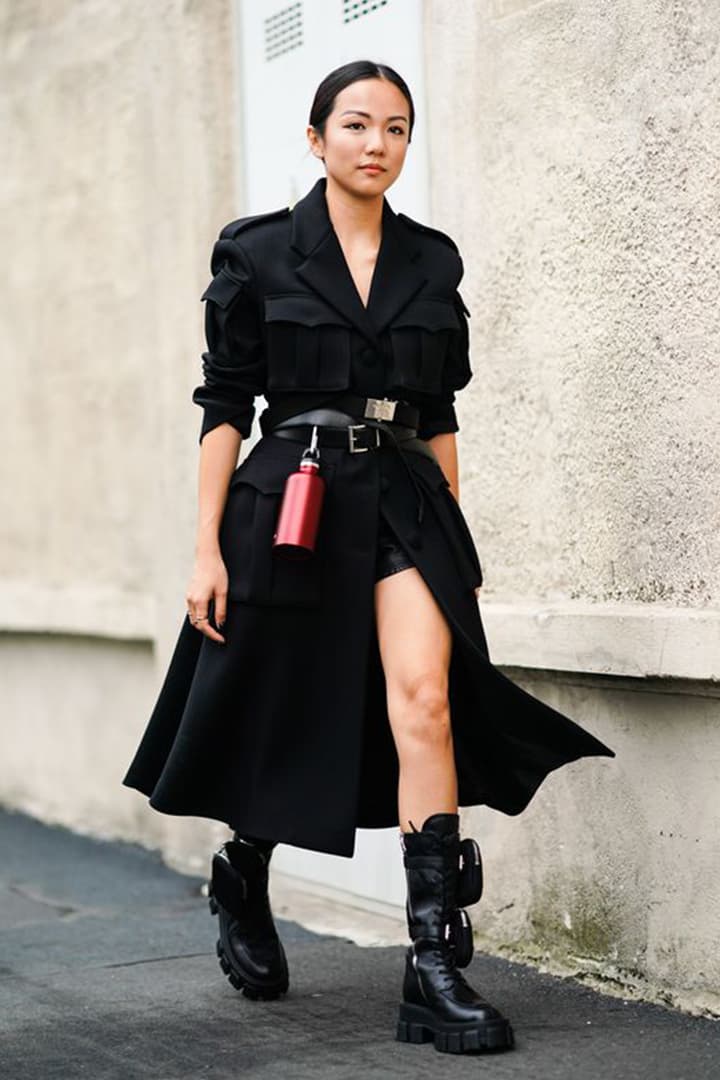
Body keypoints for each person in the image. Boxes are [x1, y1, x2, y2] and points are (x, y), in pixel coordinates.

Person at [122, 60, 614, 1055]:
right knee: (287, 701)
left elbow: (439, 416)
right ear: (316, 140)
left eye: (396, 127)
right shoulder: (256, 252)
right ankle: (244, 870)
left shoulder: (432, 261)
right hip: (290, 498)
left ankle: (432, 963)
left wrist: (455, 542)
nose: (376, 143)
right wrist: (205, 547)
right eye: (355, 124)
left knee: (422, 699)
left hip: (402, 501)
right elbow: (224, 407)